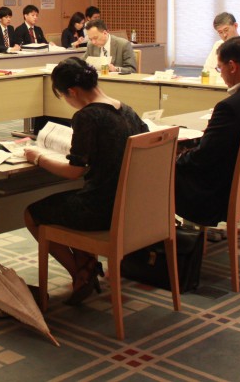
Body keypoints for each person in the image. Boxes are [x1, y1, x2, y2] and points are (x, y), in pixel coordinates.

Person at [23, 57, 147, 305]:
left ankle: (81, 273)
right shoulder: (126, 110)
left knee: (32, 214)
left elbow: (74, 171)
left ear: (72, 91)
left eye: (63, 96)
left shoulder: (88, 116)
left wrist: (38, 158)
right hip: (132, 206)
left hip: (101, 209)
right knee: (71, 200)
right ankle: (86, 262)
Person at [175, 37, 240, 225]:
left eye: (220, 68)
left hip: (222, 191)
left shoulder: (229, 107)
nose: (221, 74)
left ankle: (174, 236)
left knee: (164, 172)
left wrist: (178, 159)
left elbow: (205, 155)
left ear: (232, 66)